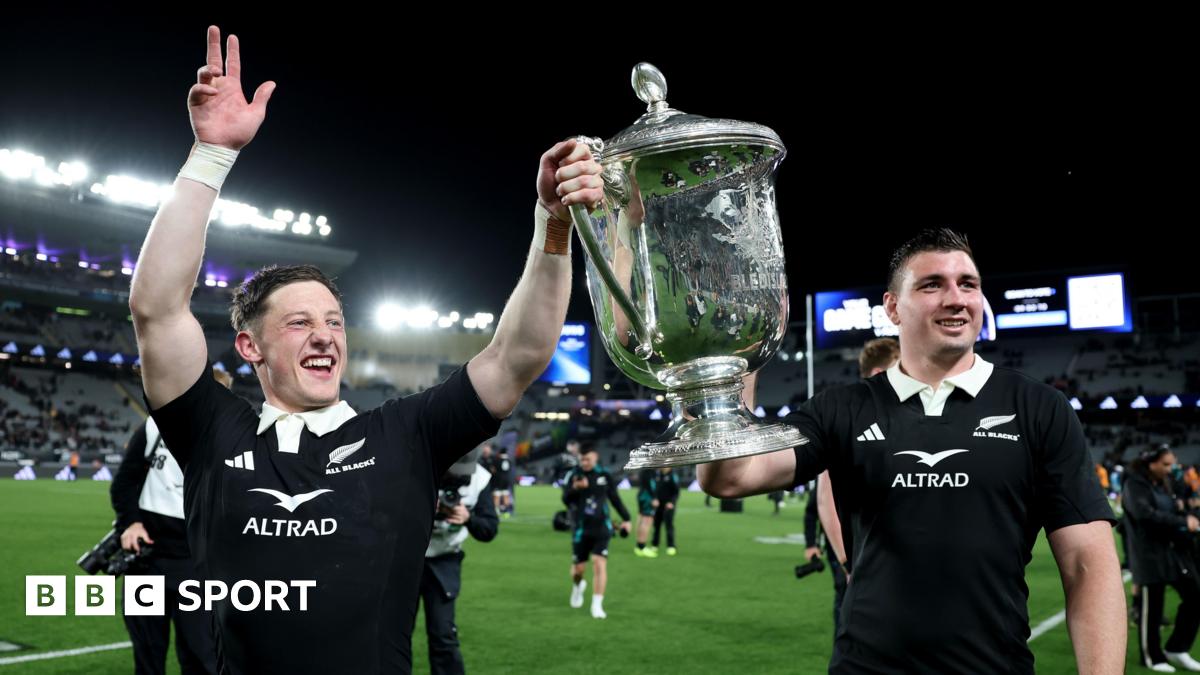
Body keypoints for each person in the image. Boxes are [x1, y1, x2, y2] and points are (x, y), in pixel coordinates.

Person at [129, 26, 601, 675]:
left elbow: (516, 355)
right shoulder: (212, 432)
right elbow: (156, 310)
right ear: (249, 346)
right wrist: (210, 155)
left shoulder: (407, 435)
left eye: (334, 320)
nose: (325, 334)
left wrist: (553, 223)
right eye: (299, 323)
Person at [699, 229, 1125, 673]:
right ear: (892, 308)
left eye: (968, 284)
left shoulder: (1038, 408)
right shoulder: (841, 408)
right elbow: (731, 476)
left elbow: (1087, 563)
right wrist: (733, 357)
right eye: (932, 285)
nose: (956, 298)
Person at [110, 367, 231, 675]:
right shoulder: (154, 428)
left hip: (196, 566)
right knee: (148, 655)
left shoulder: (230, 441)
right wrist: (131, 523)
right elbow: (124, 483)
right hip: (146, 560)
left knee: (201, 654)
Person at [418, 448, 498, 675]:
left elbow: (489, 530)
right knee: (393, 631)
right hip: (408, 559)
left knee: (443, 634)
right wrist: (420, 507)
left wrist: (469, 518)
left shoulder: (480, 479)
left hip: (445, 560)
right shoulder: (419, 467)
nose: (458, 476)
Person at [1124, 444, 1200, 672]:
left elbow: (1177, 508)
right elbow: (1144, 514)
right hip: (1149, 555)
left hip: (1173, 551)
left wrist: (1189, 515)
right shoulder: (1135, 484)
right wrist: (1182, 521)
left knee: (1195, 596)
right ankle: (1152, 657)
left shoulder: (1165, 483)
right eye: (1166, 464)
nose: (1170, 468)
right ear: (1151, 463)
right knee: (1152, 609)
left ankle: (1177, 648)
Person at [562, 446, 632, 618]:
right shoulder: (573, 475)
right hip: (580, 528)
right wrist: (575, 488)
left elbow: (615, 498)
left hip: (602, 526)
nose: (585, 462)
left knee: (599, 563)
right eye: (582, 459)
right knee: (578, 570)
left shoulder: (605, 475)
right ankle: (578, 586)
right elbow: (565, 499)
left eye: (588, 459)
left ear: (595, 457)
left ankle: (597, 605)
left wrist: (626, 518)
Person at [651, 467, 680, 555]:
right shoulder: (656, 475)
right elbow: (653, 489)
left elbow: (676, 492)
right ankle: (655, 545)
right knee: (656, 526)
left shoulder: (673, 476)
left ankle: (671, 546)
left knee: (669, 526)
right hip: (657, 505)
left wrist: (671, 502)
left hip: (668, 506)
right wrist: (654, 498)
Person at [634, 468, 659, 557]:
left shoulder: (644, 469)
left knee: (641, 519)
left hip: (642, 494)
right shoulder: (650, 470)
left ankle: (639, 546)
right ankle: (642, 547)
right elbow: (651, 484)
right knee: (647, 521)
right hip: (647, 497)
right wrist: (654, 498)